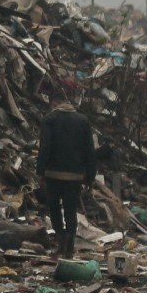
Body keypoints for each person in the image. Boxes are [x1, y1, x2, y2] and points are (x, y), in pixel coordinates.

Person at [36, 92, 97, 259]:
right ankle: (69, 247)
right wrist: (90, 176)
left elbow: (45, 146)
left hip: (53, 174)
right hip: (75, 176)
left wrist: (40, 171)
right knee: (70, 209)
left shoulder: (50, 119)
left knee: (55, 208)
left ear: (55, 103)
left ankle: (61, 243)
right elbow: (90, 151)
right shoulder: (83, 120)